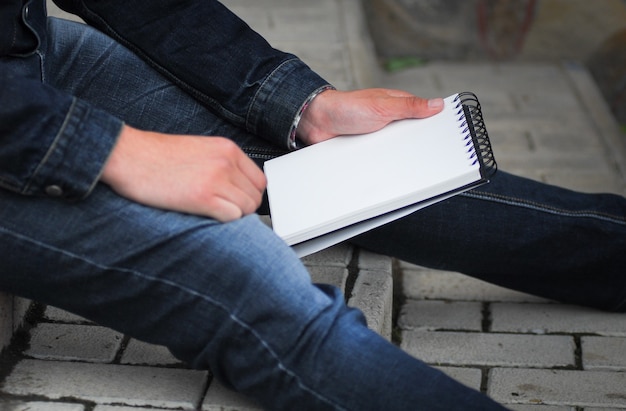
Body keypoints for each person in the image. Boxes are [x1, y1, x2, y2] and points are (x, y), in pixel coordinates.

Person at [1, 0, 624, 410]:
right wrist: (111, 150)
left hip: (31, 50)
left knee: (366, 171)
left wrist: (300, 103)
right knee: (244, 270)